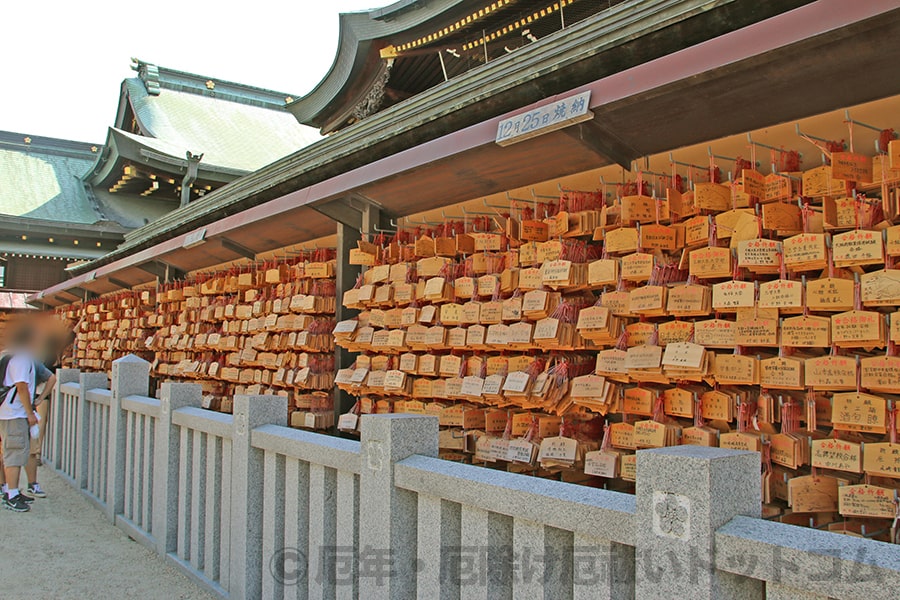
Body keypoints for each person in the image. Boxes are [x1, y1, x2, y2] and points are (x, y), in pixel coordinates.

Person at [0, 324, 40, 512]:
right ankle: (12, 494)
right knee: (14, 453)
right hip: (14, 411)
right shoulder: (22, 358)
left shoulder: (5, 354)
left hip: (5, 410)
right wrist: (30, 412)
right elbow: (21, 386)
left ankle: (10, 489)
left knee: (10, 450)